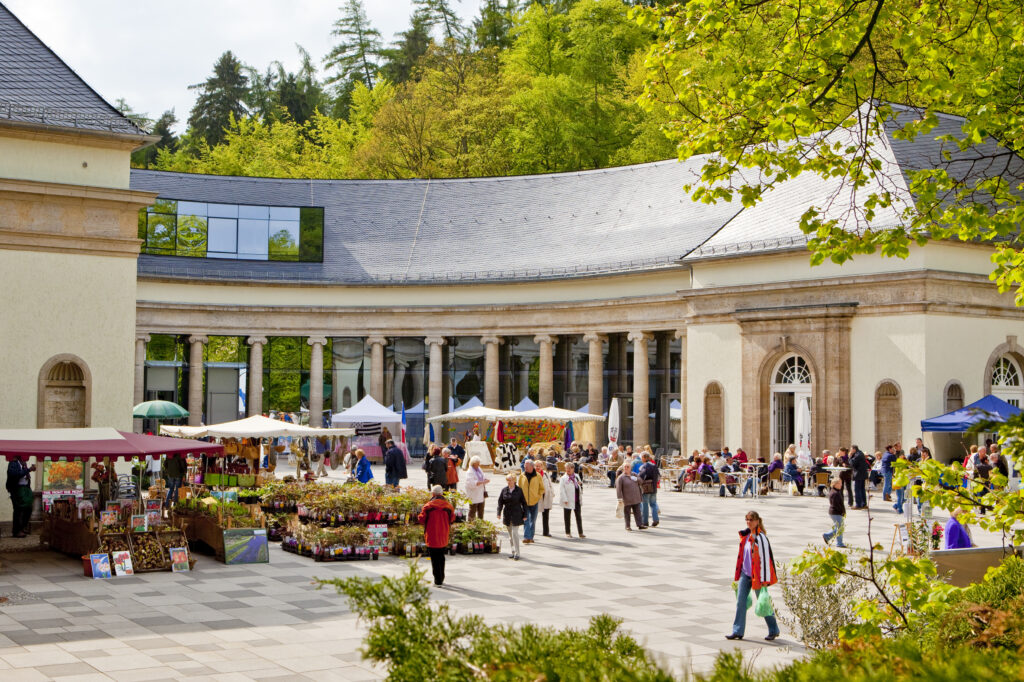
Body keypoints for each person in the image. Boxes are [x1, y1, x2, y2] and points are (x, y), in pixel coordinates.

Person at [726, 511, 780, 642]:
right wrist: (738, 575)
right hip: (745, 574)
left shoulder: (761, 538)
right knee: (740, 602)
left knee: (763, 603)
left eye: (751, 519)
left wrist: (765, 580)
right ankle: (737, 631)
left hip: (758, 577)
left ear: (757, 521)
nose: (748, 522)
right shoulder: (745, 536)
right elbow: (742, 557)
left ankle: (774, 630)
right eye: (746, 519)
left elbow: (766, 560)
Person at [417, 485, 454, 585]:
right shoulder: (448, 506)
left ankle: (438, 580)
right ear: (441, 494)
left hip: (432, 536)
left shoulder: (428, 506)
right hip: (443, 535)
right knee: (441, 557)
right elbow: (452, 519)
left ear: (433, 494)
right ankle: (441, 577)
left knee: (434, 558)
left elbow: (421, 519)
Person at [496, 474, 527, 560]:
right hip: (507, 514)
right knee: (510, 536)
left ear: (514, 481)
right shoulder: (504, 490)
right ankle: (513, 551)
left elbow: (524, 503)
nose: (509, 482)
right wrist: (499, 512)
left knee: (515, 534)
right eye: (508, 480)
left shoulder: (519, 490)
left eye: (511, 480)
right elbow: (500, 502)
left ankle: (517, 553)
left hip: (517, 514)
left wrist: (525, 514)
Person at [6, 456, 36, 538]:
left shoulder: (23, 463)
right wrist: (29, 469)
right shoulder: (13, 462)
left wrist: (28, 470)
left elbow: (25, 475)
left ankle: (22, 528)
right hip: (16, 489)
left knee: (29, 508)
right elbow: (14, 475)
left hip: (25, 488)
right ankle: (17, 531)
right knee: (18, 510)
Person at [517, 460, 544, 544]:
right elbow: (519, 488)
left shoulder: (538, 476)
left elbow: (542, 488)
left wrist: (537, 496)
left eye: (526, 466)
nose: (525, 467)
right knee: (526, 519)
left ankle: (531, 537)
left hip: (534, 501)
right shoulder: (522, 476)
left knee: (533, 520)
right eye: (524, 466)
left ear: (532, 467)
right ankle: (526, 537)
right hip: (525, 502)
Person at [615, 464, 645, 530]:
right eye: (625, 467)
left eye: (627, 467)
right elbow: (618, 489)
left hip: (636, 497)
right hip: (627, 498)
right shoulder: (621, 477)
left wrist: (637, 479)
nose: (626, 468)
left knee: (637, 512)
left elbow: (641, 482)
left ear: (630, 468)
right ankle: (627, 526)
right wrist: (619, 498)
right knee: (627, 513)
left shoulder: (634, 474)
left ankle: (640, 524)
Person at [559, 462, 585, 538]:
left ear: (573, 469)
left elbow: (579, 487)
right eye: (567, 468)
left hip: (576, 500)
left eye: (570, 468)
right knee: (567, 517)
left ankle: (580, 532)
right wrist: (565, 499)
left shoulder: (576, 476)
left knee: (578, 516)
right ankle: (568, 532)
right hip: (568, 500)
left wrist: (580, 484)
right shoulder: (563, 478)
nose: (568, 470)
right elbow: (562, 490)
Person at [822, 478, 847, 548]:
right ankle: (838, 542)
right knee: (840, 528)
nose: (841, 485)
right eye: (839, 483)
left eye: (841, 483)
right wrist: (841, 511)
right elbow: (836, 504)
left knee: (838, 527)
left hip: (835, 512)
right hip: (835, 512)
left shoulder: (836, 491)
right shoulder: (835, 493)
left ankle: (827, 536)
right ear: (834, 484)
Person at [637, 453, 660, 527]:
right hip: (654, 487)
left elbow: (641, 477)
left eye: (641, 457)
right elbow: (659, 476)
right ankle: (656, 519)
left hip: (646, 488)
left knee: (645, 505)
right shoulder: (654, 466)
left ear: (644, 457)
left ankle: (645, 521)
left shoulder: (643, 466)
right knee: (653, 504)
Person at [464, 456, 489, 520]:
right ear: (474, 463)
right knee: (472, 510)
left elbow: (483, 476)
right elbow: (470, 483)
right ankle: (471, 525)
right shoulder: (469, 472)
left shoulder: (479, 469)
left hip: (480, 493)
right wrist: (481, 482)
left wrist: (485, 480)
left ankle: (481, 524)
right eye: (477, 463)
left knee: (481, 511)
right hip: (473, 494)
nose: (479, 464)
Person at [536, 456, 554, 537]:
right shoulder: (533, 475)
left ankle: (546, 532)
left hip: (546, 496)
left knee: (546, 515)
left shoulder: (546, 474)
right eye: (536, 466)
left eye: (539, 466)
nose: (538, 467)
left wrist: (552, 493)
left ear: (542, 466)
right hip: (536, 497)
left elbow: (550, 484)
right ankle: (531, 531)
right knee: (533, 516)